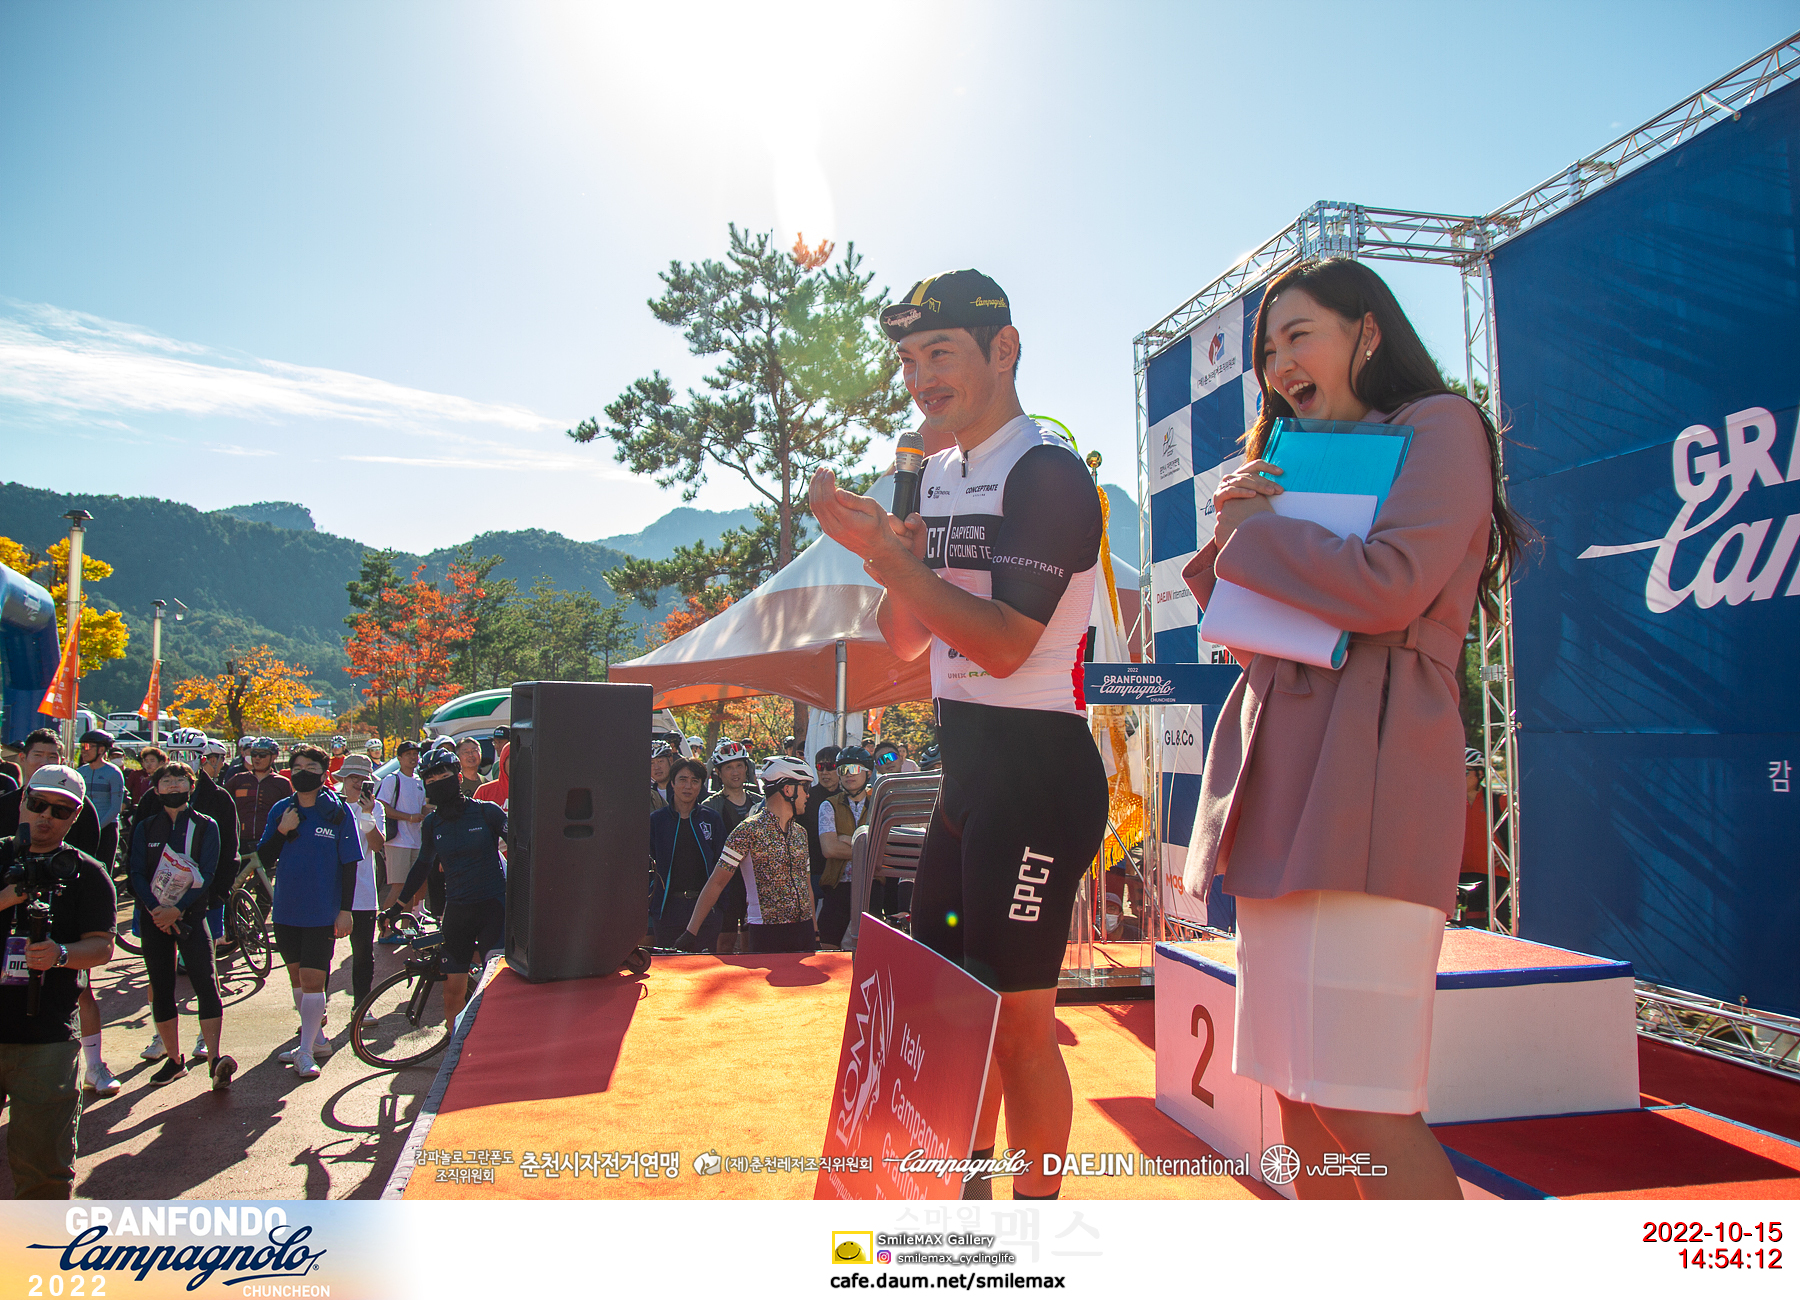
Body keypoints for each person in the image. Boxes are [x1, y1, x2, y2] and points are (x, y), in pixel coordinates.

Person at [1180, 257, 1534, 1200]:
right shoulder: (1285, 454)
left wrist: (1258, 535)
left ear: (1367, 331)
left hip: (1372, 783)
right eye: (1267, 350)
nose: (1279, 365)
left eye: (1299, 335)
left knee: (1363, 1102)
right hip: (1275, 784)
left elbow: (1391, 587)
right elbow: (1251, 630)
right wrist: (1234, 531)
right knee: (1295, 1095)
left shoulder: (1442, 425)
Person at [810, 267, 1109, 1199]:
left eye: (940, 352)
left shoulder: (1048, 472)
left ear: (1004, 349)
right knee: (952, 1016)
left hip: (1040, 776)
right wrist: (889, 557)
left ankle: (1035, 1233)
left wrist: (897, 560)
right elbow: (906, 637)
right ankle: (965, 1212)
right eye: (908, 359)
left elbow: (1008, 647)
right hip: (967, 776)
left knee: (1020, 1030)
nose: (920, 377)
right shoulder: (936, 475)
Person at [0, 764, 116, 1197]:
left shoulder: (88, 872)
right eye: (38, 804)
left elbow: (102, 946)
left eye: (61, 810)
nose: (46, 816)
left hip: (46, 1038)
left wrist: (61, 955)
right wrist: (7, 897)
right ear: (23, 801)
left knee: (44, 1173)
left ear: (75, 816)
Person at [125, 761, 234, 1089]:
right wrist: (157, 909)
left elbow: (208, 872)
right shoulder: (146, 826)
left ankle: (214, 1059)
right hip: (154, 918)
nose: (173, 786)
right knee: (161, 986)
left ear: (191, 786)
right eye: (166, 781)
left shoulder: (206, 825)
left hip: (192, 916)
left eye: (180, 780)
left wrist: (178, 909)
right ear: (156, 789)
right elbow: (135, 872)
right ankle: (174, 1060)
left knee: (206, 983)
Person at [256, 744, 361, 1080]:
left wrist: (345, 910)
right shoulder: (281, 810)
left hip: (322, 910)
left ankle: (305, 1052)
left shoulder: (338, 812)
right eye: (298, 767)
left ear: (324, 773)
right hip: (287, 908)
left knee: (314, 979)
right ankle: (315, 1039)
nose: (304, 773)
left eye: (311, 768)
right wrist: (282, 829)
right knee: (297, 978)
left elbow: (350, 864)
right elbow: (264, 857)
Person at [382, 748, 506, 1027]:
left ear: (458, 777)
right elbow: (422, 866)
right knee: (452, 993)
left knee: (496, 989)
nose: (437, 781)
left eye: (443, 775)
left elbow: (524, 848)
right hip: (457, 912)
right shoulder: (432, 823)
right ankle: (454, 1044)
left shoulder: (487, 812)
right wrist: (397, 907)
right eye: (430, 778)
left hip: (493, 909)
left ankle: (495, 1044)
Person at [678, 755, 818, 955]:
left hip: (804, 930)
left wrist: (815, 932)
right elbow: (716, 882)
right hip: (767, 933)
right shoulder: (748, 831)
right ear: (788, 790)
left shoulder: (800, 833)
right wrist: (691, 932)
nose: (808, 795)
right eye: (805, 787)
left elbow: (806, 886)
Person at [649, 758, 726, 950]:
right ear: (672, 783)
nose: (688, 786)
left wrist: (721, 906)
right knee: (670, 964)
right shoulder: (657, 821)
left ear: (701, 785)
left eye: (694, 781)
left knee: (705, 965)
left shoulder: (711, 819)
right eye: (682, 780)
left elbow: (723, 865)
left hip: (706, 909)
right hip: (667, 908)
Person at [334, 753, 384, 1005]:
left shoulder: (376, 807)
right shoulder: (331, 804)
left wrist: (367, 813)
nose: (357, 783)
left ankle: (362, 1006)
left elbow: (377, 845)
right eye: (352, 777)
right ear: (343, 778)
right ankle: (316, 1009)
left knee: (363, 952)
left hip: (363, 892)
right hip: (331, 890)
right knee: (323, 952)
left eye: (363, 779)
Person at [701, 740, 758, 953]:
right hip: (725, 883)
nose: (735, 772)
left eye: (739, 766)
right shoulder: (710, 807)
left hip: (754, 882)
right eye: (728, 767)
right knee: (724, 941)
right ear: (718, 772)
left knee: (751, 941)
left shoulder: (759, 803)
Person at [816, 745, 875, 946]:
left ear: (868, 772)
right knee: (827, 946)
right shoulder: (828, 805)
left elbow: (886, 848)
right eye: (843, 769)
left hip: (872, 886)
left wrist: (846, 840)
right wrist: (867, 847)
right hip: (838, 885)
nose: (848, 774)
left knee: (870, 948)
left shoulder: (879, 802)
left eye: (855, 769)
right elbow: (829, 849)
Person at [375, 741, 427, 938]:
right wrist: (409, 817)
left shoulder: (419, 781)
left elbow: (421, 807)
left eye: (415, 754)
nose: (413, 758)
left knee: (411, 887)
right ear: (399, 758)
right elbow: (382, 807)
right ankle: (384, 931)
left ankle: (405, 928)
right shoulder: (392, 779)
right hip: (397, 841)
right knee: (398, 887)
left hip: (415, 841)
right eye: (408, 754)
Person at [1457, 748, 1511, 929]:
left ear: (1480, 774)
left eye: (1466, 772)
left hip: (1494, 874)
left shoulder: (1498, 801)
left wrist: (1510, 857)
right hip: (1463, 874)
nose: (1460, 776)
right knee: (1469, 927)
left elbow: (1521, 835)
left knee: (1499, 927)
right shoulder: (1451, 803)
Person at [224, 737, 293, 863]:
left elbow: (289, 811)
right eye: (254, 754)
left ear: (274, 757)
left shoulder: (282, 783)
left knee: (266, 875)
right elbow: (222, 802)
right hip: (240, 841)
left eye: (262, 755)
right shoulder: (238, 779)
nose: (257, 758)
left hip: (269, 840)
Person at [75, 730, 125, 873]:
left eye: (87, 747)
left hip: (107, 828)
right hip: (84, 828)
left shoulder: (114, 773)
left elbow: (115, 808)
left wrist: (97, 827)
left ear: (101, 749)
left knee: (102, 871)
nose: (83, 751)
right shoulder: (80, 772)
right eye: (81, 747)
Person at [475, 742, 510, 810]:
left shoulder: (532, 793)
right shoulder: (484, 792)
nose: (516, 763)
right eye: (511, 758)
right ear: (503, 761)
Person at [649, 742, 674, 812]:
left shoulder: (682, 789)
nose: (656, 767)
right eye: (652, 763)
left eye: (660, 761)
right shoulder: (650, 793)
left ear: (670, 760)